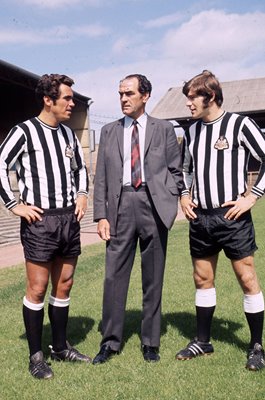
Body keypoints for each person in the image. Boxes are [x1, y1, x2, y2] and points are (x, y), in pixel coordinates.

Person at [0, 74, 91, 379]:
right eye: (66, 98)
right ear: (48, 100)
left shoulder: (67, 135)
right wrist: (14, 205)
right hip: (40, 222)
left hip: (69, 220)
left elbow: (80, 169)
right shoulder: (24, 132)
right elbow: (0, 164)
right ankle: (36, 356)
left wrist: (81, 194)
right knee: (37, 289)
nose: (72, 103)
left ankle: (61, 347)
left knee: (64, 285)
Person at [175, 70, 265, 371]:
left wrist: (251, 197)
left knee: (247, 279)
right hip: (201, 218)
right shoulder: (191, 132)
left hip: (232, 217)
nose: (189, 104)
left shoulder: (239, 124)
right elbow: (184, 170)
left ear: (209, 96)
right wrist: (185, 197)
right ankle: (203, 340)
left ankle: (255, 346)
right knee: (202, 279)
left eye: (192, 98)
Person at [92, 73, 183, 364]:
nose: (123, 99)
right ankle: (110, 342)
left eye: (129, 93)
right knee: (114, 276)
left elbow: (175, 169)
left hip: (153, 205)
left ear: (145, 96)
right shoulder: (108, 131)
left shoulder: (164, 128)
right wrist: (101, 215)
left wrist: (172, 199)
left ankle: (150, 343)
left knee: (153, 277)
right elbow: (101, 178)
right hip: (119, 206)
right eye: (120, 94)